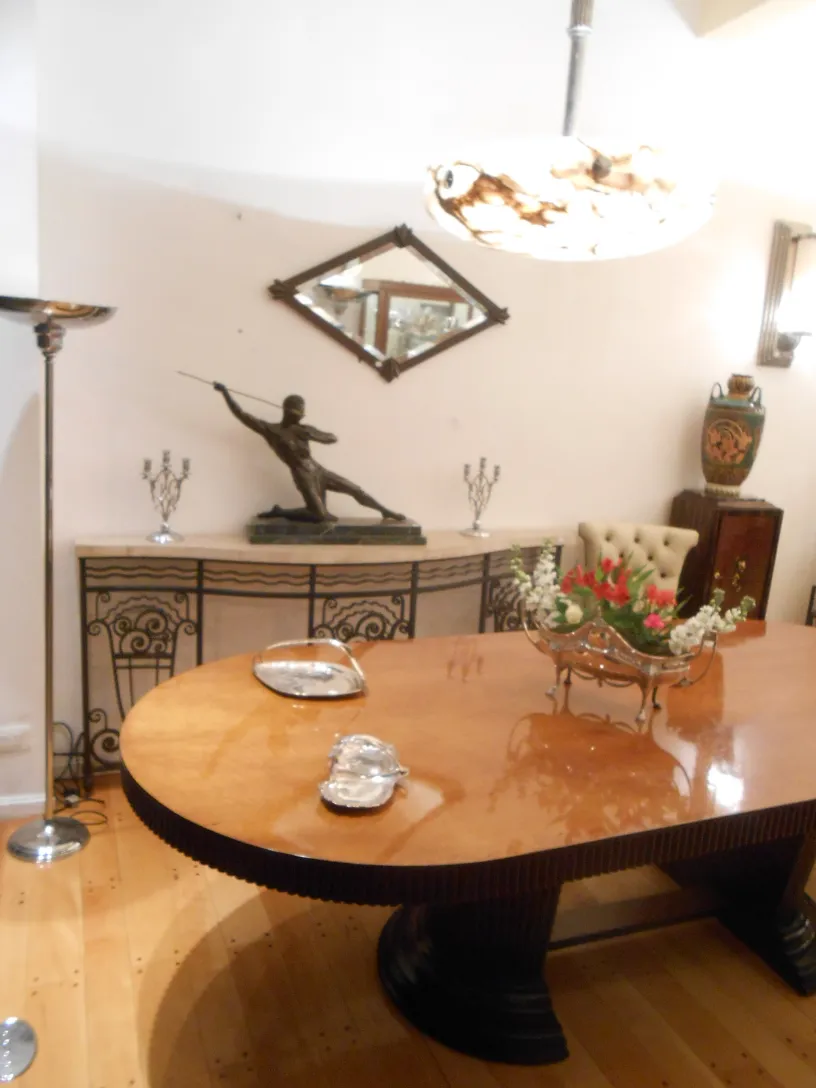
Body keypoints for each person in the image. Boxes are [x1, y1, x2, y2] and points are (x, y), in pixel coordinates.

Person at [213, 383, 405, 522]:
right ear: (287, 411)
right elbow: (241, 414)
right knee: (321, 516)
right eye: (297, 413)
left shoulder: (303, 429)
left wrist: (311, 433)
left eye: (301, 413)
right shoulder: (271, 430)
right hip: (302, 474)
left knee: (354, 489)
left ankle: (385, 511)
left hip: (318, 470)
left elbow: (332, 438)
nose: (300, 416)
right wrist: (225, 394)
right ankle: (280, 512)